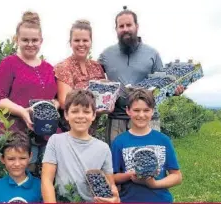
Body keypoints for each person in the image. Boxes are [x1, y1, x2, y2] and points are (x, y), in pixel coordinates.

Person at [98, 6, 185, 143]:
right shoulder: (106, 55)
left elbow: (163, 83)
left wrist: (174, 91)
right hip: (117, 119)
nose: (125, 29)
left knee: (149, 160)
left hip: (147, 118)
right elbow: (95, 79)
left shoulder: (152, 53)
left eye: (129, 25)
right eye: (121, 26)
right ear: (116, 30)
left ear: (136, 26)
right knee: (116, 162)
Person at [0, 11, 59, 175]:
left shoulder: (49, 68)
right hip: (17, 133)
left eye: (34, 40)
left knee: (47, 178)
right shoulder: (9, 64)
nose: (30, 44)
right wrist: (22, 111)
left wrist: (53, 106)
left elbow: (55, 98)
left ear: (41, 41)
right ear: (17, 40)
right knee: (22, 177)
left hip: (47, 135)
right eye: (25, 40)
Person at [41, 89, 120, 203]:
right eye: (75, 111)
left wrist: (114, 198)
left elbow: (109, 185)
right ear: (66, 115)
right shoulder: (56, 141)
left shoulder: (103, 148)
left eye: (86, 112)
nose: (80, 116)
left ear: (93, 115)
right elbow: (47, 180)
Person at [111, 88, 182, 202]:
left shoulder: (163, 140)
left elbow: (177, 176)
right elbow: (112, 177)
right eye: (136, 110)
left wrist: (154, 184)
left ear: (152, 111)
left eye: (146, 110)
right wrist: (130, 175)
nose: (141, 115)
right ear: (128, 111)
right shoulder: (119, 142)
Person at [54, 19, 106, 134]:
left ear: (91, 42)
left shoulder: (97, 67)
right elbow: (64, 102)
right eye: (77, 40)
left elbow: (105, 97)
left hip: (92, 132)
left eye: (85, 40)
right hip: (69, 132)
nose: (81, 44)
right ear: (70, 42)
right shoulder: (64, 67)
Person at [0, 132, 42, 203]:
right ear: (2, 159)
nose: (17, 164)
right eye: (11, 159)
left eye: (22, 158)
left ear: (30, 157)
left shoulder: (41, 187)